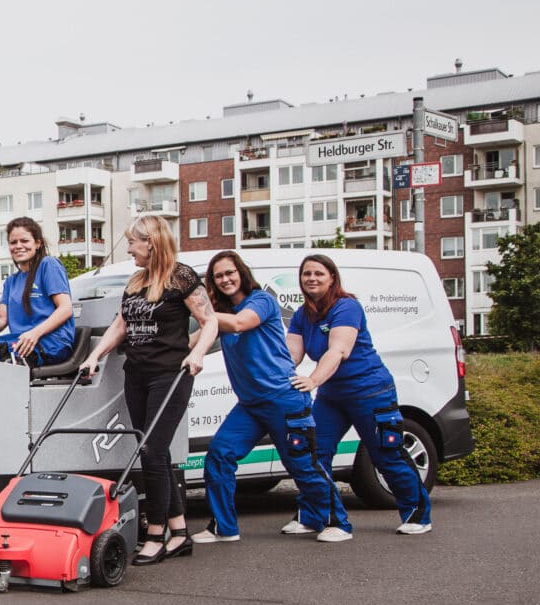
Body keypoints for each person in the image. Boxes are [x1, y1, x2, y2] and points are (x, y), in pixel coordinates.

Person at [79, 216, 216, 566]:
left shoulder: (181, 276)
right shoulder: (136, 280)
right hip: (136, 374)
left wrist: (198, 353)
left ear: (151, 242)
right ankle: (179, 532)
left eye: (132, 242)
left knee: (153, 451)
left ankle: (156, 533)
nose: (128, 249)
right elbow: (121, 325)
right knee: (153, 452)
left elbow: (210, 321)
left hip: (170, 374)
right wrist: (95, 356)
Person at [193, 251, 350, 544]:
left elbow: (240, 323)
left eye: (230, 273)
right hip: (250, 405)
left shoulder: (261, 301)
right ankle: (224, 528)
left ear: (241, 273)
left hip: (283, 399)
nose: (225, 279)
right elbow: (193, 340)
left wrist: (197, 308)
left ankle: (336, 521)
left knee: (302, 464)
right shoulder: (219, 315)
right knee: (219, 454)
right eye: (218, 276)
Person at [286, 253, 431, 536]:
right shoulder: (302, 315)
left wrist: (313, 380)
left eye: (318, 273)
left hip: (370, 391)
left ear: (332, 278)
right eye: (306, 274)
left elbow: (338, 350)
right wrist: (273, 375)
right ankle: (316, 516)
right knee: (311, 453)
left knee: (386, 454)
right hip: (332, 396)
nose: (311, 278)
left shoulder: (346, 307)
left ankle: (418, 515)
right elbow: (291, 354)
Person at [0, 217, 75, 421]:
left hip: (51, 342)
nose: (18, 246)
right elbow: (0, 322)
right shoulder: (11, 281)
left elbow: (66, 308)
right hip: (22, 341)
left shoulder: (48, 266)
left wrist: (35, 333)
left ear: (37, 243)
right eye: (13, 242)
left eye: (24, 241)